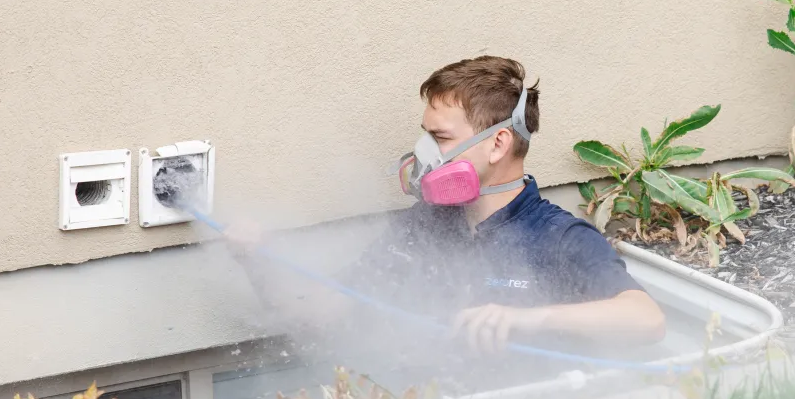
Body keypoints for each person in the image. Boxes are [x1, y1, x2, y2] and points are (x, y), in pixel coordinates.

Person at [229, 56, 667, 354]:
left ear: (498, 143)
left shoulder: (557, 238)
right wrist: (257, 259)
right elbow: (326, 314)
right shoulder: (423, 226)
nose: (424, 153)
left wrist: (528, 319)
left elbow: (647, 320)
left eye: (440, 139)